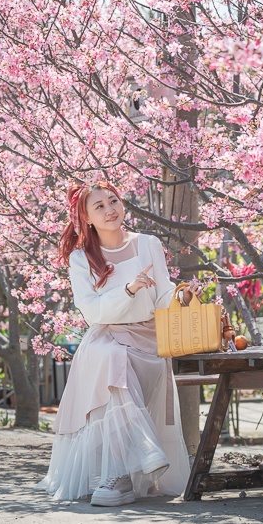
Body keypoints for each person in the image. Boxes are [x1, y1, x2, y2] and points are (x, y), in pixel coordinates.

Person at [35, 181, 190, 506]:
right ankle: (127, 467)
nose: (110, 210)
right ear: (87, 218)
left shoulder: (147, 244)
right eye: (100, 206)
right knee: (111, 359)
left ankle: (120, 476)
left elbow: (162, 292)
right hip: (107, 337)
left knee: (114, 363)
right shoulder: (81, 258)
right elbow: (91, 311)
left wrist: (180, 296)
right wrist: (129, 290)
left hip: (148, 340)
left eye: (114, 201)